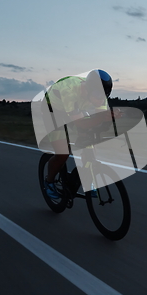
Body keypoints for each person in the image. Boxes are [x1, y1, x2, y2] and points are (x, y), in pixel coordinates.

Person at [43, 69, 115, 199]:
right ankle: (49, 182)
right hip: (53, 110)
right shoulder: (69, 90)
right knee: (63, 153)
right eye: (98, 96)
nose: (101, 100)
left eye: (104, 96)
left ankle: (88, 178)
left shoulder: (100, 95)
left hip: (75, 110)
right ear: (88, 89)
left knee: (90, 143)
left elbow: (100, 121)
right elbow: (81, 124)